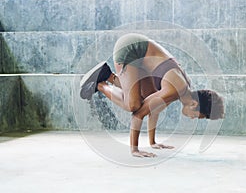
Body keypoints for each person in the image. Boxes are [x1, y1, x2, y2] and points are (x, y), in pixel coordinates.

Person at [80, 33, 224, 157]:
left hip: (140, 53)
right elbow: (139, 114)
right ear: (194, 104)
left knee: (146, 97)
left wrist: (152, 142)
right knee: (133, 105)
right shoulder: (174, 90)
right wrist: (135, 150)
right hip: (130, 49)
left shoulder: (182, 90)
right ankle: (100, 84)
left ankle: (108, 75)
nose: (192, 118)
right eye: (197, 116)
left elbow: (154, 110)